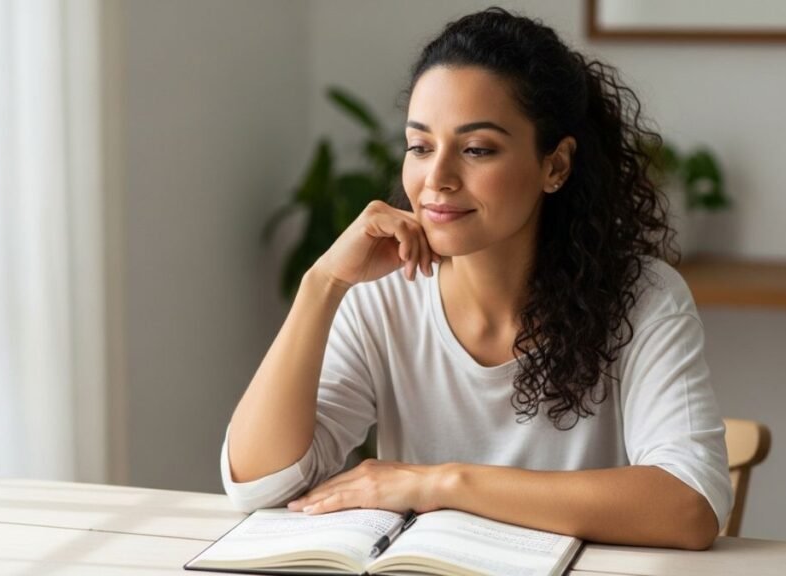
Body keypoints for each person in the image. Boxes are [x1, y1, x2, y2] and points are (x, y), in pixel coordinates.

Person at [222, 7, 732, 551]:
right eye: (420, 146)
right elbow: (260, 483)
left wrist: (441, 482)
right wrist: (322, 282)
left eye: (476, 149)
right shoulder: (382, 296)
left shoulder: (643, 297)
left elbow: (688, 506)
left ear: (555, 166)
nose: (436, 178)